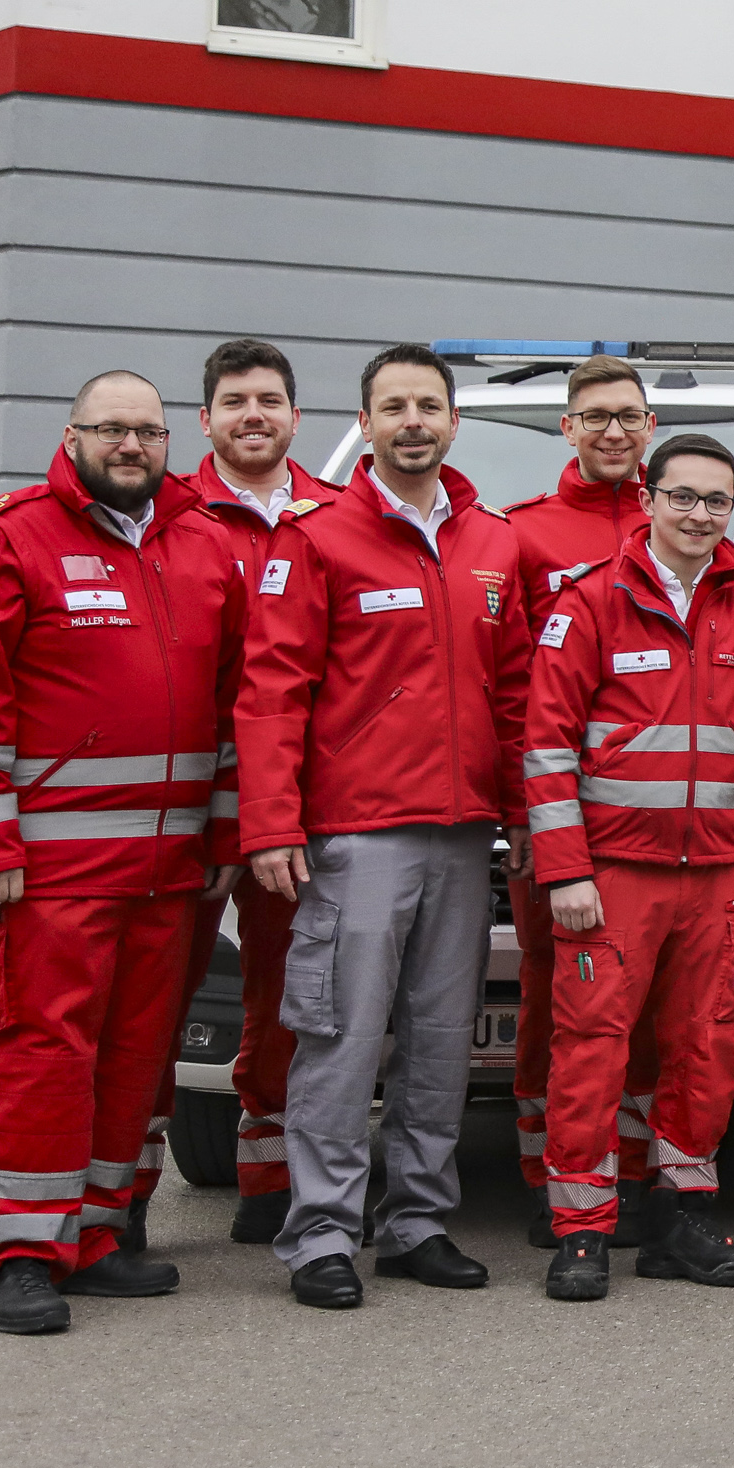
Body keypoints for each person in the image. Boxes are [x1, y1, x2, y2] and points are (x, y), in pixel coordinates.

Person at [0, 372, 248, 1334]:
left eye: (146, 431)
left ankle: (97, 1233)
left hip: (170, 873)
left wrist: (224, 831)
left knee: (134, 1054)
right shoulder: (6, 537)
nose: (131, 446)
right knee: (36, 1052)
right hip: (46, 873)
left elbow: (233, 704)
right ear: (72, 437)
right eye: (111, 429)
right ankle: (19, 1252)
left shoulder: (201, 542)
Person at [236, 344, 532, 1310]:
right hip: (358, 835)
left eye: (429, 404)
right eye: (393, 405)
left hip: (464, 832)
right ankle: (322, 1231)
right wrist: (273, 823)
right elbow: (273, 692)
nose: (414, 419)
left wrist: (527, 812)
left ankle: (415, 1222)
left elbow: (523, 694)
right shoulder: (315, 538)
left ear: (453, 421)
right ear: (364, 423)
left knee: (443, 1039)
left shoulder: (493, 541)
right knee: (343, 1038)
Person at [518, 433, 734, 1300]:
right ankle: (581, 1229)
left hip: (718, 876)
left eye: (716, 501)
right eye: (682, 496)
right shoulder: (588, 601)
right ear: (648, 498)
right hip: (612, 874)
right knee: (592, 1049)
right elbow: (545, 748)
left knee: (707, 1049)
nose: (699, 515)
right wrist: (565, 872)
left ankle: (682, 1218)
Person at [165, 339, 339, 1251]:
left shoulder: (338, 517)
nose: (253, 414)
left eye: (269, 398)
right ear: (205, 419)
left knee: (285, 994)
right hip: (185, 805)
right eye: (235, 400)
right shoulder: (165, 517)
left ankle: (267, 1172)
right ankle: (118, 1183)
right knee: (160, 993)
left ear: (296, 415)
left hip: (292, 810)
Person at [499, 355, 659, 1232]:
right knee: (552, 995)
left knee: (650, 1008)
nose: (612, 430)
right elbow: (508, 689)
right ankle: (543, 1166)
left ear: (650, 428)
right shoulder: (523, 533)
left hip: (661, 822)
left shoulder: (680, 519)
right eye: (594, 415)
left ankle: (627, 1167)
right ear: (567, 427)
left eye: (628, 416)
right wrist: (525, 818)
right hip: (557, 821)